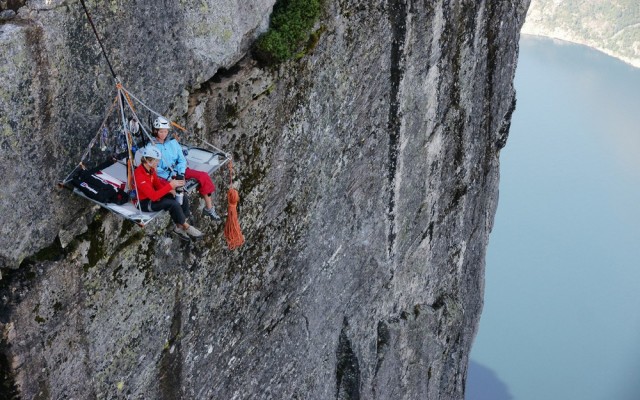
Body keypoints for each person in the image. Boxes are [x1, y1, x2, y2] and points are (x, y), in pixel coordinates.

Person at [151, 116, 221, 221]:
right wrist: (170, 178)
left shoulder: (172, 143)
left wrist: (181, 173)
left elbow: (182, 159)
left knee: (203, 176)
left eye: (166, 131)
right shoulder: (152, 147)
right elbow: (155, 169)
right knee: (178, 193)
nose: (164, 134)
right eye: (161, 131)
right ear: (156, 131)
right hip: (165, 175)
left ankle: (209, 208)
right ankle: (184, 219)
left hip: (179, 171)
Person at [134, 146, 203, 239]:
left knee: (181, 196)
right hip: (144, 203)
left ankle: (180, 226)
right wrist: (170, 186)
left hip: (153, 196)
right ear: (148, 161)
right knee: (172, 204)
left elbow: (157, 185)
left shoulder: (151, 170)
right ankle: (186, 226)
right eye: (156, 161)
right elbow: (153, 196)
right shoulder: (139, 176)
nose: (157, 163)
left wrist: (171, 191)